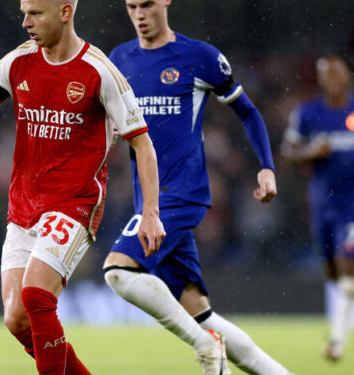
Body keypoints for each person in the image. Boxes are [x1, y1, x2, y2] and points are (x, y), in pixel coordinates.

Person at [0, 1, 172, 374]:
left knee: (36, 295)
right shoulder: (17, 63)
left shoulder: (100, 72)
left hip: (75, 201)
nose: (25, 22)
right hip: (23, 204)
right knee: (16, 320)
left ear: (65, 12)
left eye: (35, 13)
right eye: (24, 12)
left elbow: (142, 142)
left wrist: (150, 212)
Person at [103, 1, 294, 374]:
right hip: (151, 201)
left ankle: (206, 349)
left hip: (181, 194)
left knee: (118, 272)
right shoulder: (119, 59)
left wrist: (267, 168)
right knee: (203, 315)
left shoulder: (198, 57)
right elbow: (112, 123)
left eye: (146, 5)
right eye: (131, 6)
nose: (139, 14)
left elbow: (248, 112)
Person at [281, 55, 354, 361]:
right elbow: (288, 150)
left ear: (348, 76)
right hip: (323, 202)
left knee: (347, 269)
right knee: (333, 273)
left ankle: (336, 343)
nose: (333, 79)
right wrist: (312, 151)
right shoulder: (307, 113)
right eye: (326, 75)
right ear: (320, 80)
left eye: (337, 73)